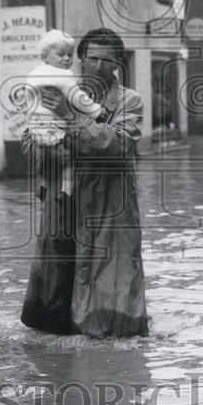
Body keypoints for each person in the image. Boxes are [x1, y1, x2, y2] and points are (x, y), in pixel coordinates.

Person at [25, 27, 149, 339]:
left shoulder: (129, 101)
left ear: (117, 64)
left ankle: (109, 362)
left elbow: (120, 143)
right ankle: (59, 367)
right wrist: (45, 143)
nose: (97, 66)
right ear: (80, 59)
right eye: (91, 58)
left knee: (110, 305)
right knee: (53, 300)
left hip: (109, 205)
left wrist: (71, 119)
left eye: (106, 61)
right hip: (64, 201)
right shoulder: (58, 88)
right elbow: (30, 139)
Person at [25, 30, 103, 198]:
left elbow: (28, 99)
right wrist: (95, 111)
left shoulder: (33, 75)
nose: (67, 59)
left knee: (45, 159)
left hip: (36, 129)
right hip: (56, 129)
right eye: (61, 55)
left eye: (70, 55)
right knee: (69, 160)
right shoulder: (63, 75)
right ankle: (65, 192)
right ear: (45, 57)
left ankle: (43, 185)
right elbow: (78, 97)